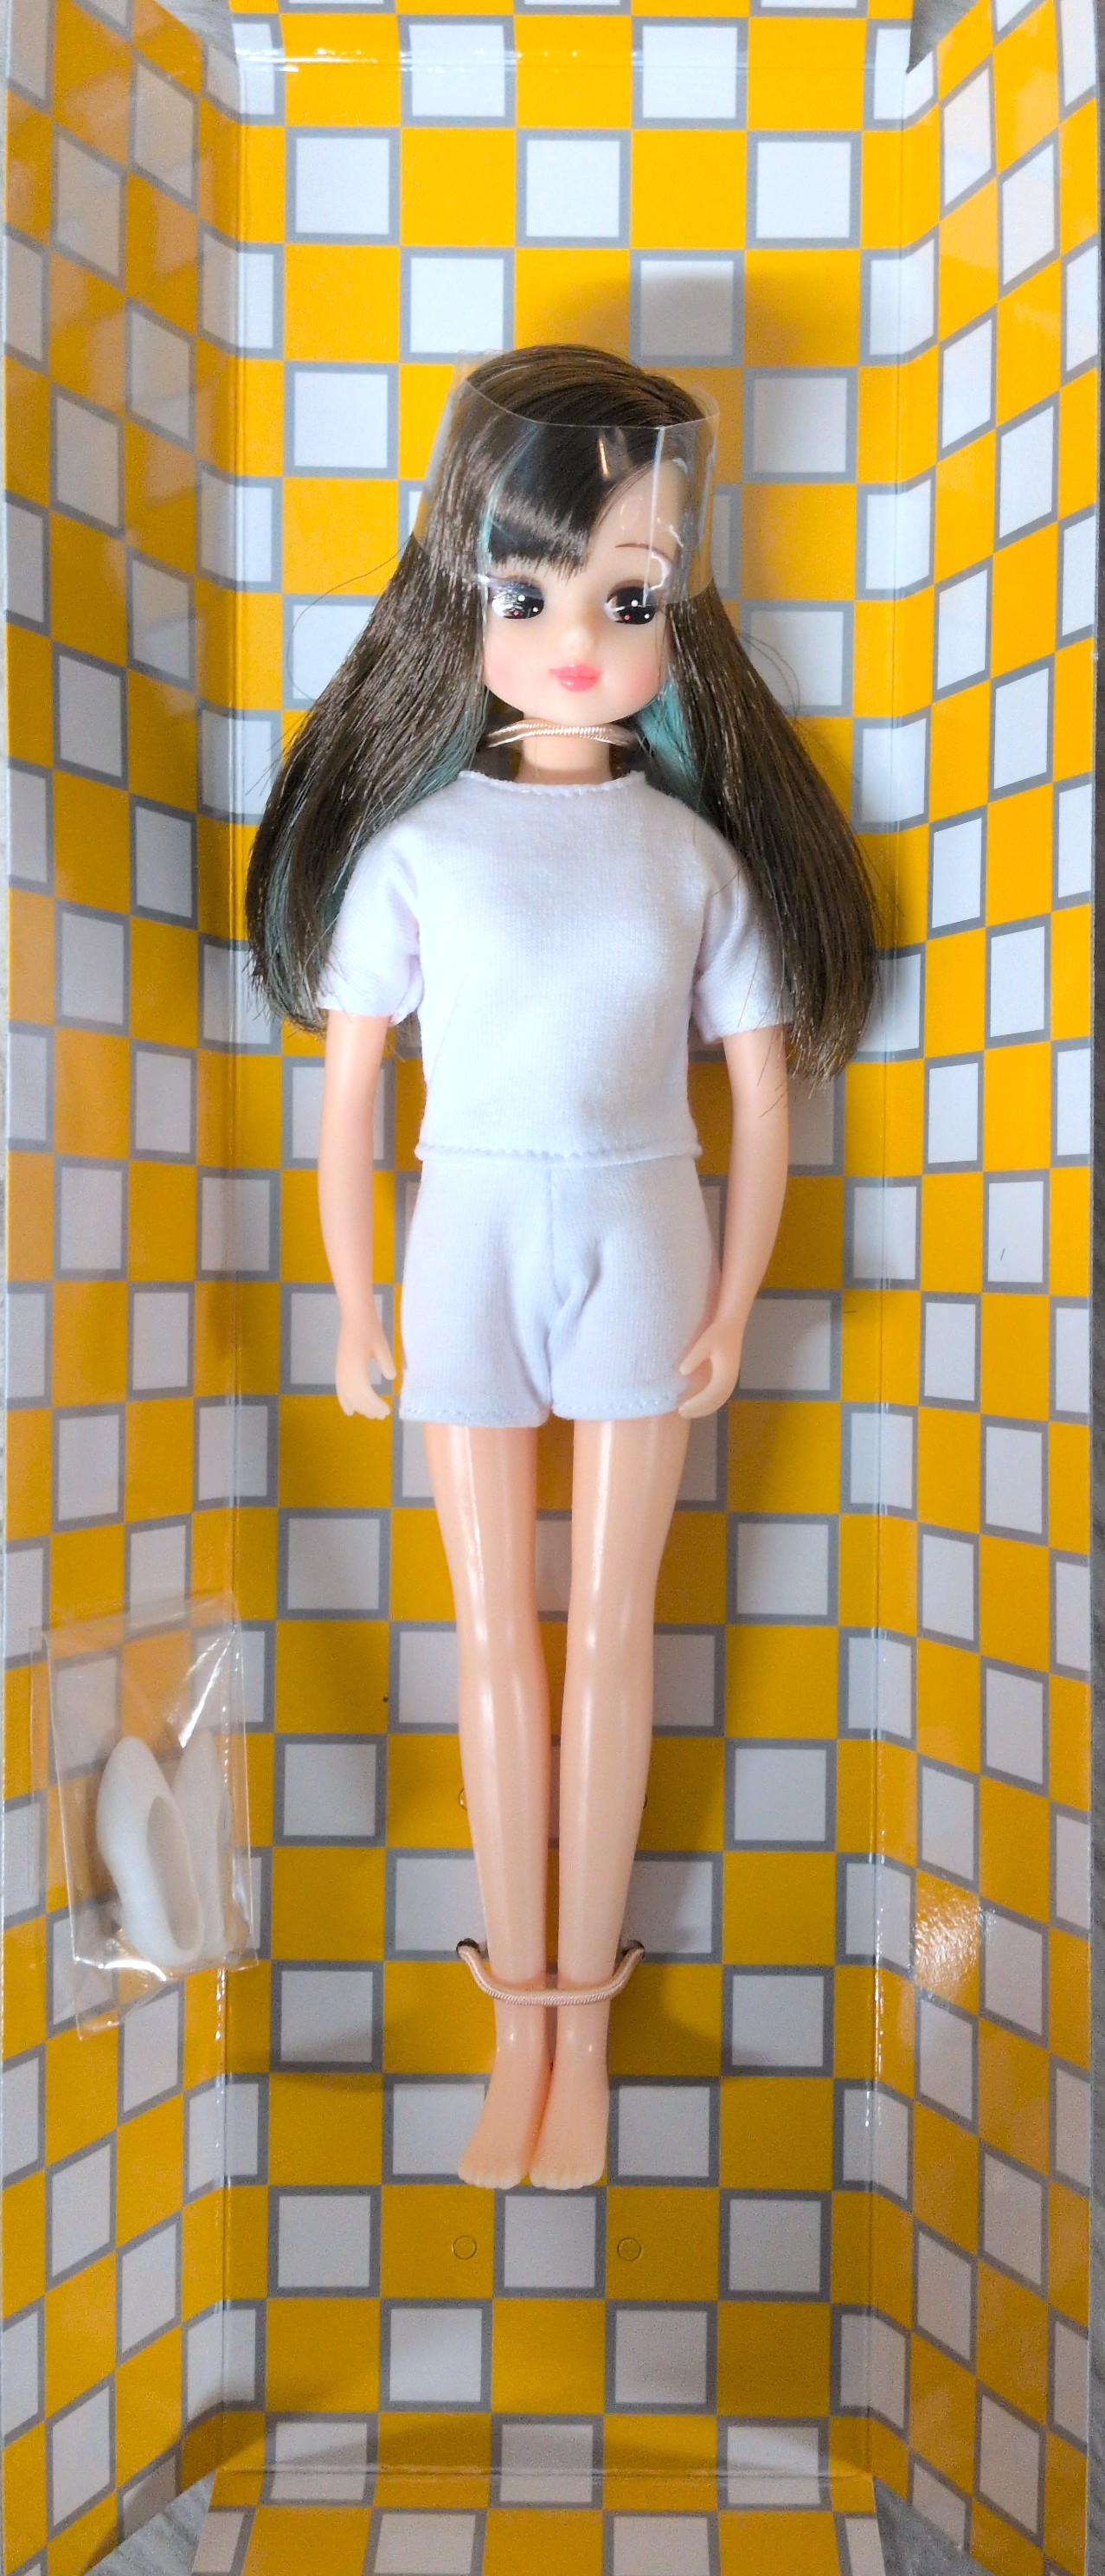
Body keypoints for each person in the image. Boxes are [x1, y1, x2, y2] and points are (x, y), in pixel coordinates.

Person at [247, 345, 877, 2191]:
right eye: (527, 594)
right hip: (462, 1235)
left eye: (631, 595)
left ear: (683, 613)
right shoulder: (417, 854)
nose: (581, 640)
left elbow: (759, 1108)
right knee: (490, 1635)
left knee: (613, 1632)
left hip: (643, 1234)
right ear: (458, 601)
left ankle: (575, 2031)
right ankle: (513, 2018)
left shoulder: (692, 861)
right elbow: (349, 1105)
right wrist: (357, 1300)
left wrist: (735, 1300)